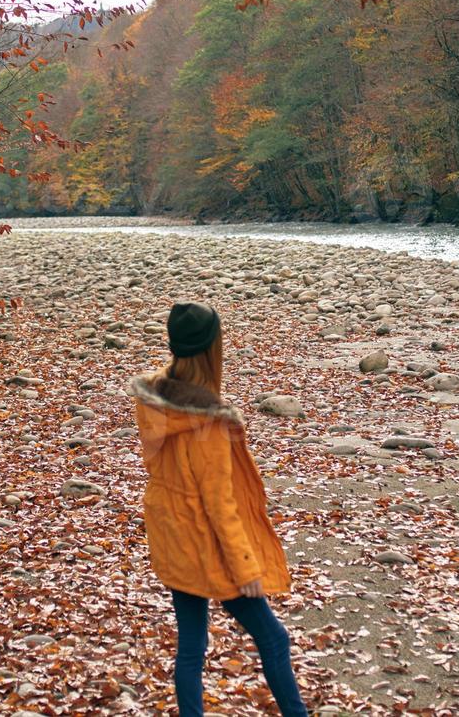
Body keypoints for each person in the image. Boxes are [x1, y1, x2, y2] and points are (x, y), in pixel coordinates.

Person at [129, 301, 309, 717]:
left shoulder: (157, 398)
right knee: (274, 639)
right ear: (212, 349)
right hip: (208, 546)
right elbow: (219, 504)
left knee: (192, 648)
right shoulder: (207, 423)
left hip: (173, 535)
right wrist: (245, 567)